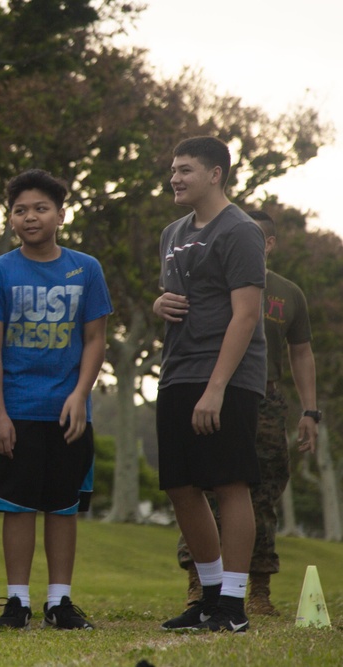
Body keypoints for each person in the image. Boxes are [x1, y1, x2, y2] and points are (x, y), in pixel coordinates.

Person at [0, 169, 111, 631]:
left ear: (60, 215)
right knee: (17, 505)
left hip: (68, 411)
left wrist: (79, 395)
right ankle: (17, 602)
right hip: (17, 410)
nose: (30, 217)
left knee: (63, 505)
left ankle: (59, 602)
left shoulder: (86, 268)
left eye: (40, 208)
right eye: (20, 210)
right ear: (11, 219)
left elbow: (94, 338)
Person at [174, 210, 318, 615]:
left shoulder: (289, 293)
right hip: (211, 390)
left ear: (268, 244)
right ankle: (200, 587)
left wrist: (310, 410)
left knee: (261, 494)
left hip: (265, 401)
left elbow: (302, 353)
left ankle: (258, 591)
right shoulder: (212, 280)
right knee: (201, 487)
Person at [153, 136, 266, 633]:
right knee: (180, 485)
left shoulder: (240, 231)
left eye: (185, 170)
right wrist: (160, 306)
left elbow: (246, 315)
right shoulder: (171, 233)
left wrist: (217, 388)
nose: (175, 178)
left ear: (216, 174)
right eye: (173, 170)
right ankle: (210, 596)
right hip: (178, 371)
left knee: (228, 482)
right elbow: (181, 296)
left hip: (228, 377)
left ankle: (235, 607)